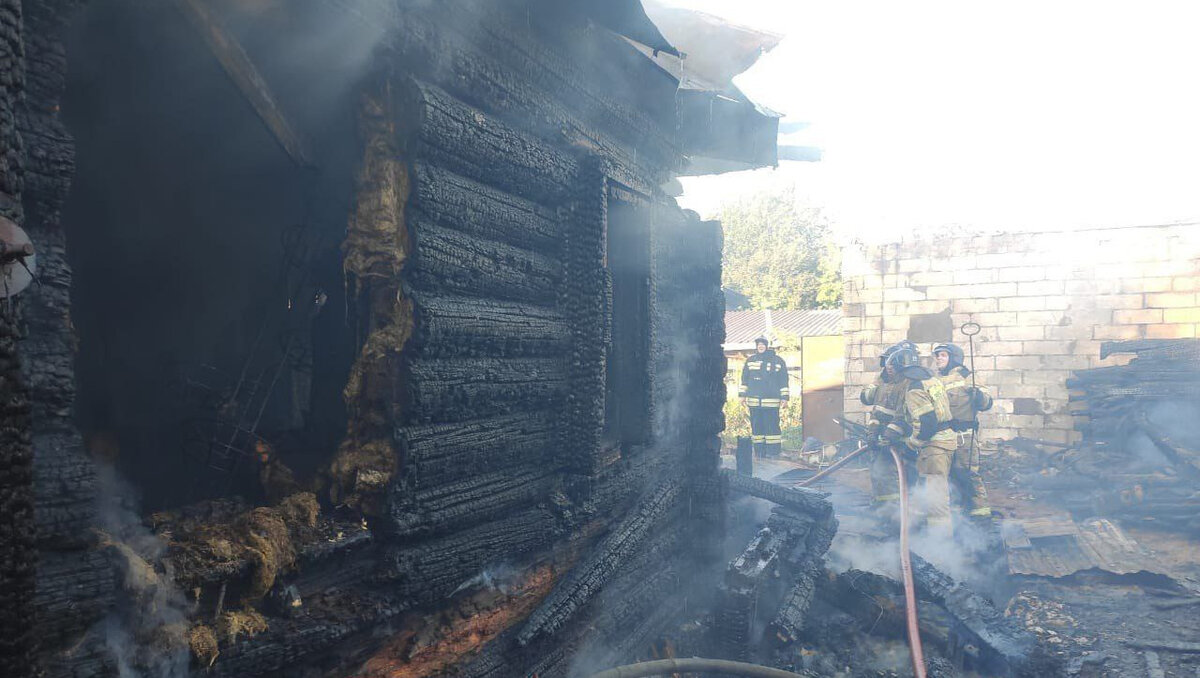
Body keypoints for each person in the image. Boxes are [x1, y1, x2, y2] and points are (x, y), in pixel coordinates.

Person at [880, 345, 957, 539]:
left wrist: (910, 445)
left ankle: (940, 545)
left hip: (934, 448)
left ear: (900, 369)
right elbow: (905, 416)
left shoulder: (914, 389)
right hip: (946, 441)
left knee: (936, 498)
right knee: (927, 492)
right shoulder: (930, 379)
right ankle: (923, 534)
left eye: (893, 371)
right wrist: (888, 434)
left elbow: (926, 424)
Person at [933, 342, 995, 522]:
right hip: (941, 437)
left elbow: (987, 403)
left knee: (968, 474)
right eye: (937, 355)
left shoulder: (968, 376)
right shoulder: (934, 380)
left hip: (963, 438)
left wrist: (979, 396)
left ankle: (980, 514)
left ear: (954, 358)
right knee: (946, 477)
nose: (938, 358)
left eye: (942, 355)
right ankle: (957, 513)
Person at [859, 341, 916, 512]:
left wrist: (891, 434)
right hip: (884, 439)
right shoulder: (884, 385)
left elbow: (904, 415)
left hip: (902, 440)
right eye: (886, 362)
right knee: (879, 473)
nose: (888, 367)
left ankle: (900, 512)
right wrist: (873, 432)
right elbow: (877, 412)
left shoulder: (909, 384)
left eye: (892, 363)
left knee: (904, 477)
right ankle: (883, 507)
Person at [740, 337, 789, 458]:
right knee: (756, 426)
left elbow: (783, 381)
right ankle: (759, 452)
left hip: (771, 401)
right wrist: (742, 396)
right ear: (756, 346)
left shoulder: (778, 361)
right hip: (754, 402)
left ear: (767, 346)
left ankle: (773, 452)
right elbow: (744, 379)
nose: (760, 346)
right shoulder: (750, 361)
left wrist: (785, 397)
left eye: (763, 344)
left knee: (772, 426)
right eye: (758, 345)